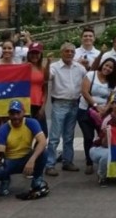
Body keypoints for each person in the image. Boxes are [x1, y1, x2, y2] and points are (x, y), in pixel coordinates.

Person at [0, 100, 49, 199]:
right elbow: (0, 153)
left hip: (27, 158)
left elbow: (43, 142)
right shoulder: (3, 129)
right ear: (9, 114)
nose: (15, 116)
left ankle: (37, 179)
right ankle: (5, 180)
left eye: (18, 113)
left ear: (23, 112)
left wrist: (32, 160)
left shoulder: (31, 123)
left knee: (43, 152)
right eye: (12, 113)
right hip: (10, 161)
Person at [44, 42, 86, 176]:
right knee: (55, 136)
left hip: (74, 103)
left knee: (69, 136)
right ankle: (50, 164)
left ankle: (68, 161)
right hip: (59, 104)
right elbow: (46, 78)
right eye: (66, 51)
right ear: (61, 53)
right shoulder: (54, 67)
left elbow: (88, 80)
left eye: (71, 52)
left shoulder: (79, 68)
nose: (69, 54)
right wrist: (47, 63)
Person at [78, 56, 116, 175]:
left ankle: (102, 160)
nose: (108, 68)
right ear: (102, 64)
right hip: (86, 110)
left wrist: (107, 107)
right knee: (88, 137)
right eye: (106, 65)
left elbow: (112, 97)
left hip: (102, 113)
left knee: (103, 137)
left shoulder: (112, 82)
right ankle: (89, 163)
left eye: (111, 67)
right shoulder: (91, 75)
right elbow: (84, 92)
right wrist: (95, 105)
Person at [26, 43, 48, 135]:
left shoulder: (43, 69)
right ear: (28, 54)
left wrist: (43, 107)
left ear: (40, 55)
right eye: (32, 53)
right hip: (26, 104)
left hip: (38, 105)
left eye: (37, 53)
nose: (34, 56)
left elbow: (45, 90)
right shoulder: (23, 67)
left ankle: (38, 150)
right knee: (28, 133)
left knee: (43, 133)